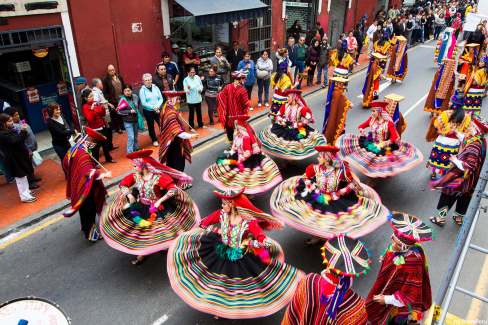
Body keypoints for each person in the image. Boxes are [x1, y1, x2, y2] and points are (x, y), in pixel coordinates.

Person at [167, 187, 302, 319]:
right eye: (222, 203)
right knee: (217, 283)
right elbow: (203, 224)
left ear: (232, 204)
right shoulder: (220, 214)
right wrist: (211, 230)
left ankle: (226, 309)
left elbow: (262, 241)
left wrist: (250, 243)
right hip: (220, 251)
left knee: (233, 288)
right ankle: (218, 307)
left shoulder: (249, 223)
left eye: (224, 203)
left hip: (240, 257)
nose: (222, 205)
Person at [100, 149, 199, 265]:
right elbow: (122, 184)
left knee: (167, 231)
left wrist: (159, 201)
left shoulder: (158, 177)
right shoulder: (136, 176)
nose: (134, 168)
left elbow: (173, 189)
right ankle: (143, 253)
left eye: (135, 166)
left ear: (143, 166)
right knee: (143, 232)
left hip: (158, 209)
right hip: (141, 207)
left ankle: (178, 250)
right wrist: (129, 194)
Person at [270, 145, 389, 240]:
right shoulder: (314, 168)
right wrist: (312, 187)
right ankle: (317, 235)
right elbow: (305, 178)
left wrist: (342, 191)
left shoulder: (341, 171)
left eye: (320, 156)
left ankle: (326, 237)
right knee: (314, 217)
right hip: (317, 196)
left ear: (327, 158)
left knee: (332, 221)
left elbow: (353, 183)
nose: (318, 158)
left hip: (336, 199)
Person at [282, 234, 370, 325]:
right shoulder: (357, 305)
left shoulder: (309, 280)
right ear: (353, 273)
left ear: (328, 262)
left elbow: (295, 309)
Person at [366, 212, 433, 324]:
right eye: (392, 238)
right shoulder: (395, 247)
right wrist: (385, 257)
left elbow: (410, 294)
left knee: (397, 320)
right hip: (389, 289)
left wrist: (387, 299)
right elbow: (390, 252)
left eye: (397, 244)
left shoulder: (413, 262)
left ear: (406, 246)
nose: (392, 245)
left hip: (400, 302)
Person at [337, 101, 423, 178]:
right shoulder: (371, 119)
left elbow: (395, 137)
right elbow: (361, 126)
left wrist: (386, 142)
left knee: (380, 162)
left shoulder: (388, 123)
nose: (372, 113)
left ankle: (376, 176)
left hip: (383, 145)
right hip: (371, 142)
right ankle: (370, 173)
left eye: (374, 111)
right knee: (369, 159)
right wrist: (362, 130)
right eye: (372, 111)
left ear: (379, 111)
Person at [430, 117, 487, 226]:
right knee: (464, 197)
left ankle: (440, 218)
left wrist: (455, 160)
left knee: (447, 197)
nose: (467, 126)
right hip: (471, 180)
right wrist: (456, 132)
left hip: (460, 177)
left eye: (470, 125)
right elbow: (464, 139)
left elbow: (469, 166)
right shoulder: (479, 139)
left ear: (475, 129)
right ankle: (458, 218)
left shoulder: (474, 146)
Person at [204, 115, 282, 194]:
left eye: (237, 127)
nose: (236, 129)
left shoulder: (246, 138)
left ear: (242, 128)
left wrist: (240, 159)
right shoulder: (238, 136)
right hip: (239, 156)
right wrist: (230, 153)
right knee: (229, 169)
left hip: (247, 160)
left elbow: (247, 153)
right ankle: (239, 190)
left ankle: (246, 193)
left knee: (246, 178)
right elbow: (234, 147)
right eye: (236, 126)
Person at [63, 128, 112, 241]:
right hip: (85, 186)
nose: (94, 146)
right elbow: (88, 172)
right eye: (95, 143)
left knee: (83, 208)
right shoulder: (83, 154)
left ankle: (84, 227)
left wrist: (73, 172)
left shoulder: (76, 148)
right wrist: (105, 175)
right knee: (89, 209)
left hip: (77, 183)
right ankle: (90, 234)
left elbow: (65, 162)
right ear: (91, 141)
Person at [258, 89, 326, 160]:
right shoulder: (285, 105)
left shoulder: (301, 109)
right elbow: (278, 115)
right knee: (281, 144)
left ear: (294, 97)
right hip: (285, 126)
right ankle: (285, 158)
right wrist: (282, 121)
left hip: (297, 129)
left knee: (295, 144)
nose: (287, 99)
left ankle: (291, 159)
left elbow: (309, 118)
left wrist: (299, 124)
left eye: (288, 97)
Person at [425, 93, 471, 181]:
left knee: (436, 158)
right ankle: (446, 176)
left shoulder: (445, 113)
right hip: (455, 143)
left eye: (450, 102)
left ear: (454, 104)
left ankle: (434, 174)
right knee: (449, 160)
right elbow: (466, 131)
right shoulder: (466, 117)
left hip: (442, 140)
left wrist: (441, 130)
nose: (449, 103)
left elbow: (436, 125)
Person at [0, 113, 37, 202]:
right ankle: (24, 196)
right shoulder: (2, 134)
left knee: (23, 175)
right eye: (9, 121)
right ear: (3, 123)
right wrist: (23, 131)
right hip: (13, 159)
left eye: (11, 120)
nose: (12, 122)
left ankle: (27, 191)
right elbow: (15, 141)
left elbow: (18, 140)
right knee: (20, 178)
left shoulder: (9, 130)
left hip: (19, 157)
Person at [158, 91, 198, 173]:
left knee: (171, 161)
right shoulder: (170, 113)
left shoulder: (167, 108)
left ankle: (172, 179)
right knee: (178, 161)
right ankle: (180, 181)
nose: (179, 101)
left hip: (170, 141)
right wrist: (191, 136)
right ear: (172, 100)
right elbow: (176, 131)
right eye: (177, 99)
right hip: (175, 141)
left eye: (179, 99)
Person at [81, 88, 115, 163]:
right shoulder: (85, 107)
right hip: (95, 129)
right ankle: (95, 162)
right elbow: (90, 119)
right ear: (86, 98)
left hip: (102, 126)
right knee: (96, 147)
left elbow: (102, 114)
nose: (92, 98)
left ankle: (108, 158)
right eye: (90, 96)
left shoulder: (96, 103)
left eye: (92, 96)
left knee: (105, 144)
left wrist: (103, 108)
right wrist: (92, 109)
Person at [217, 70, 250, 142]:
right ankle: (239, 144)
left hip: (230, 114)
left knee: (230, 129)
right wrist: (245, 112)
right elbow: (246, 104)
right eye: (243, 79)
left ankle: (232, 143)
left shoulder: (228, 87)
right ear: (238, 79)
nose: (244, 81)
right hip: (238, 114)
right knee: (240, 129)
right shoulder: (242, 90)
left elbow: (220, 96)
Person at [322, 71, 352, 145]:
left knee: (331, 125)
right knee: (334, 125)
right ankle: (333, 142)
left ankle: (331, 141)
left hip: (332, 113)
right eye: (342, 83)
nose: (343, 85)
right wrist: (348, 104)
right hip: (334, 114)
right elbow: (343, 101)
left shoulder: (336, 91)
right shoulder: (337, 93)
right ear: (338, 83)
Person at [139, 73, 163, 146]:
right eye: (146, 80)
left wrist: (158, 106)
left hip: (157, 109)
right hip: (148, 111)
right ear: (143, 81)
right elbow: (143, 103)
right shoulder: (142, 90)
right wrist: (153, 107)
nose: (148, 81)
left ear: (151, 80)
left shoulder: (156, 87)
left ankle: (164, 135)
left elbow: (161, 98)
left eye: (149, 80)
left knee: (161, 123)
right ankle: (154, 140)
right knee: (151, 126)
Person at [91, 78, 116, 150]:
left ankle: (110, 145)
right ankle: (108, 146)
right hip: (104, 115)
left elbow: (102, 100)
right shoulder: (95, 92)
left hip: (105, 114)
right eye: (101, 83)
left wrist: (108, 103)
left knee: (109, 130)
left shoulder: (99, 91)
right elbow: (96, 103)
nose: (102, 84)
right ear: (97, 84)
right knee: (108, 130)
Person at [117, 84, 142, 154]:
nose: (127, 92)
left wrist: (136, 111)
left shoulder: (135, 97)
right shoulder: (122, 100)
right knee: (131, 136)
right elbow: (119, 111)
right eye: (125, 91)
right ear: (123, 92)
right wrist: (129, 111)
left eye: (129, 90)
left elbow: (138, 104)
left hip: (135, 120)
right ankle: (130, 152)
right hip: (127, 121)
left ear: (131, 91)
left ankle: (136, 148)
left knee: (135, 136)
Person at [102, 64, 125, 133]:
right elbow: (105, 92)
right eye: (110, 70)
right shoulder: (106, 79)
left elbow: (123, 85)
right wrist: (110, 100)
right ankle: (118, 128)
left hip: (121, 98)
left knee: (122, 112)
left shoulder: (119, 77)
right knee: (115, 115)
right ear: (108, 71)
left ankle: (122, 126)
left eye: (113, 70)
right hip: (113, 100)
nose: (112, 71)